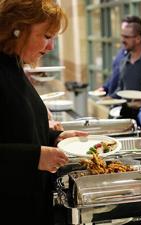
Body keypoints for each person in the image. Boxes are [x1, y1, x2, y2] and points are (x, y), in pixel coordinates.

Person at [0, 1, 87, 224]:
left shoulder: (14, 65)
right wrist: (35, 157)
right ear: (17, 28)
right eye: (47, 36)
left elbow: (15, 128)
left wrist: (55, 139)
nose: (51, 48)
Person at [99, 16, 141, 96]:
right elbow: (117, 76)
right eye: (122, 35)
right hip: (118, 103)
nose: (122, 40)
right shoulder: (123, 56)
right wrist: (105, 89)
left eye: (126, 36)